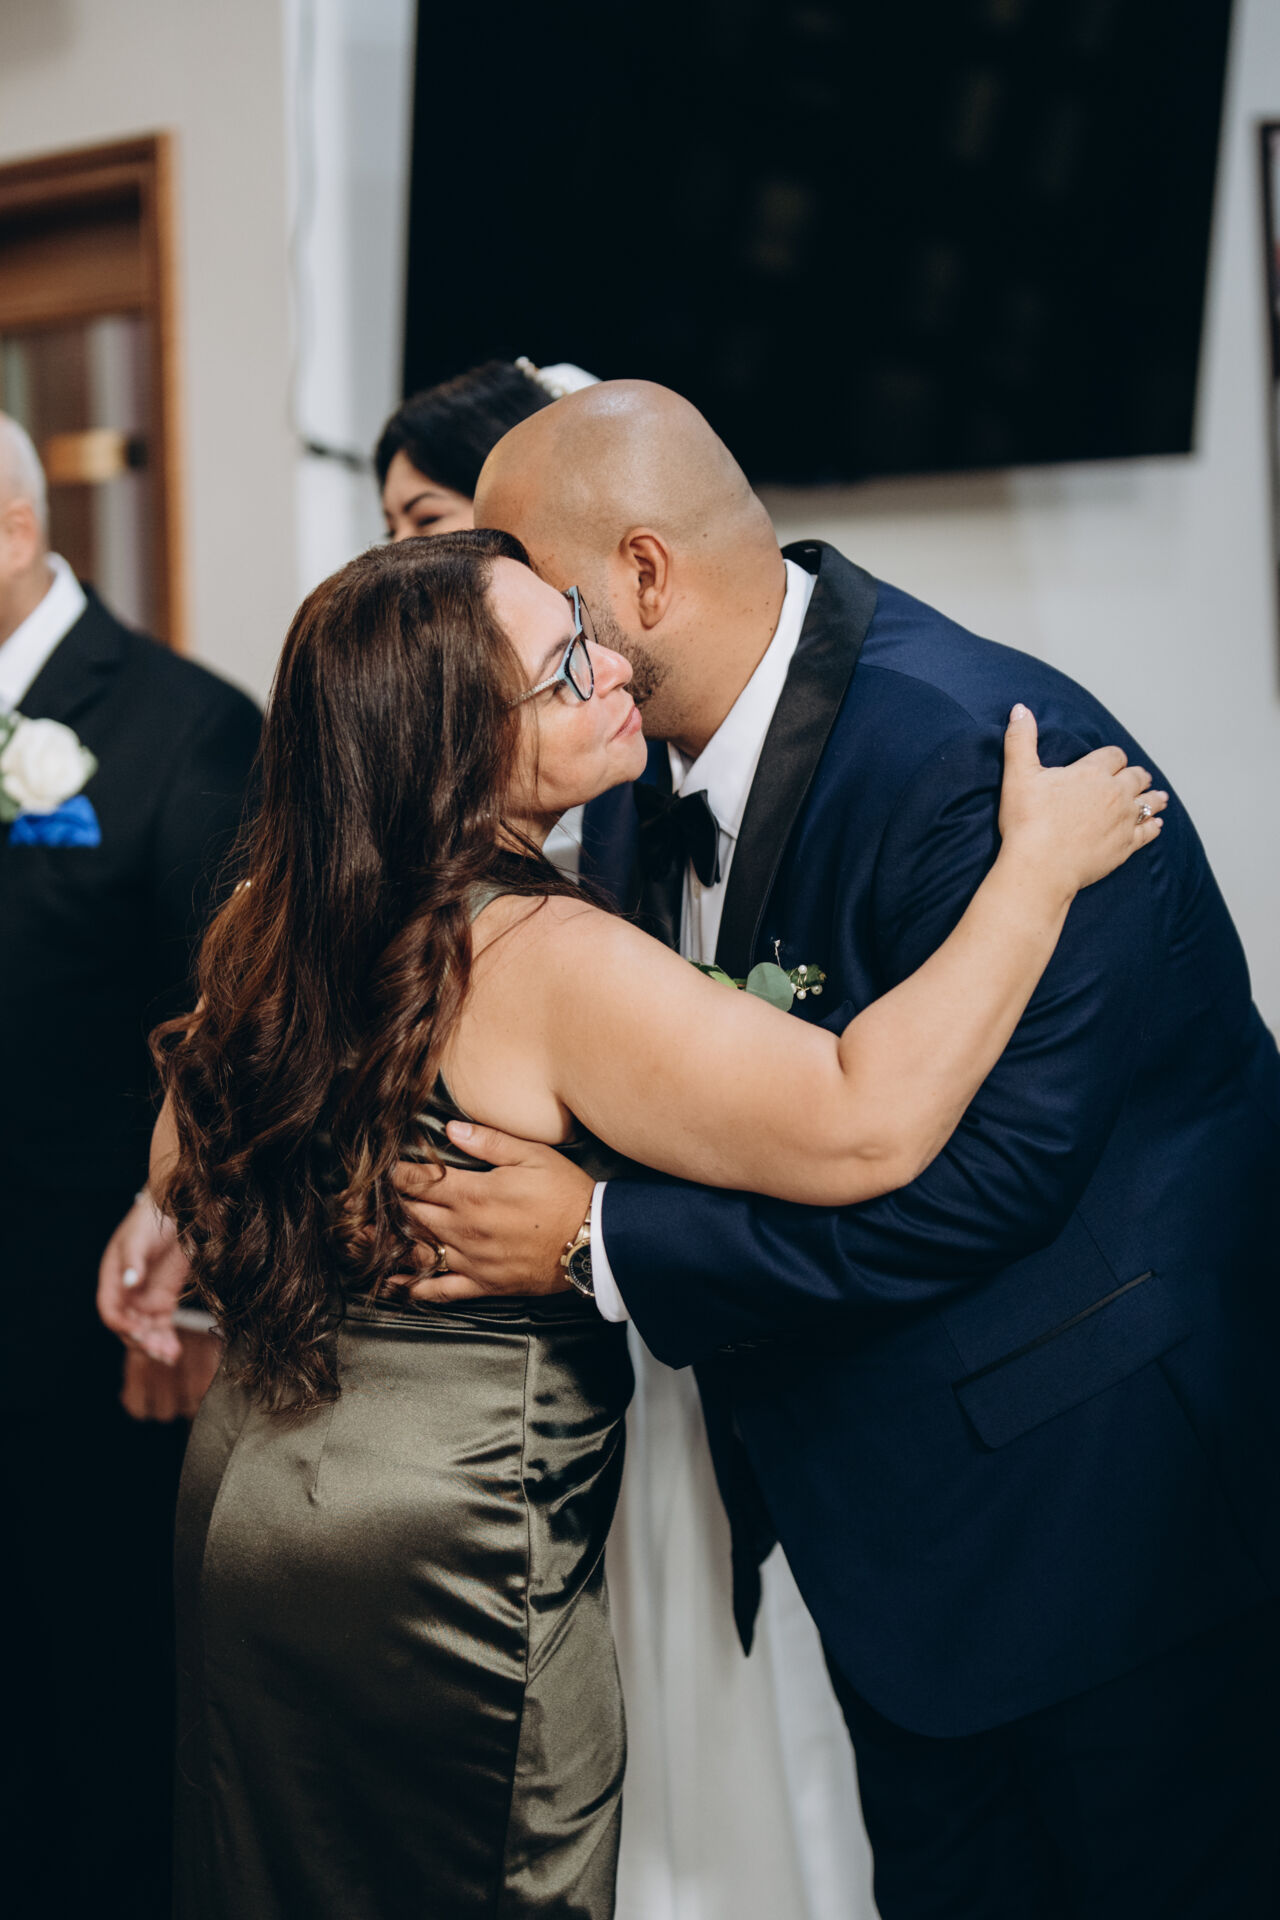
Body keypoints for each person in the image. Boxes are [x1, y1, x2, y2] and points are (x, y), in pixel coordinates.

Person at [129, 526, 1156, 1919]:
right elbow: (866, 1120)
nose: (610, 666)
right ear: (450, 749)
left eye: (580, 627)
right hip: (443, 1538)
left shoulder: (268, 916)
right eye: (563, 667)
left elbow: (179, 1168)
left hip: (249, 1496)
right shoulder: (543, 958)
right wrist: (1034, 877)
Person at [393, 382, 1280, 1918]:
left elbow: (987, 1185)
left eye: (532, 589)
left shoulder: (983, 766)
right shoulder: (628, 773)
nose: (507, 637)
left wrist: (599, 1240)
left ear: (643, 574)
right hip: (896, 1542)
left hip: (1102, 1526)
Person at [0, 413, 261, 1919]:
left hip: (101, 1333)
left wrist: (202, 1294)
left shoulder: (186, 727)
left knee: (106, 1706)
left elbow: (239, 1040)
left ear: (15, 529)